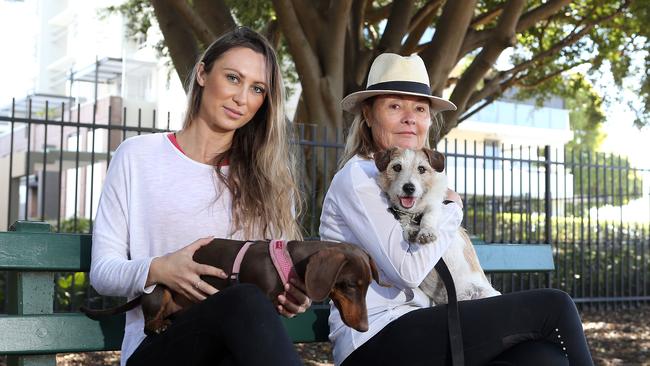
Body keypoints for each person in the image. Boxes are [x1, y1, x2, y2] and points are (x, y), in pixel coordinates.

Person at [319, 53, 594, 366]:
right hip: (374, 339)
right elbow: (407, 272)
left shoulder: (421, 183)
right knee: (554, 306)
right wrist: (451, 207)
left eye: (420, 109)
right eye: (395, 106)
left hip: (429, 326)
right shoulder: (359, 177)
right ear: (368, 114)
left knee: (544, 359)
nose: (410, 117)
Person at [89, 27, 310, 366]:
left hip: (233, 352)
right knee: (244, 301)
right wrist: (161, 268)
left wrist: (292, 297)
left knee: (245, 307)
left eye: (257, 89)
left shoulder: (270, 182)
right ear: (204, 73)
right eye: (233, 78)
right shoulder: (137, 156)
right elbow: (103, 272)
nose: (242, 98)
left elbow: (272, 285)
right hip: (159, 346)